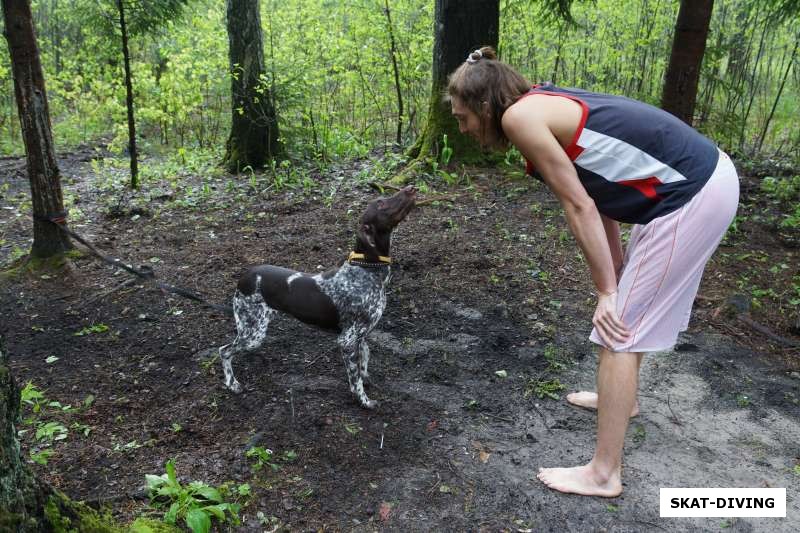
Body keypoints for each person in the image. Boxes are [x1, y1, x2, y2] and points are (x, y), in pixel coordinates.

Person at [448, 47, 739, 497]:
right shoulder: (537, 104)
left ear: (486, 106)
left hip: (690, 194)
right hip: (693, 185)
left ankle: (604, 474)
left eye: (463, 117)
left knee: (617, 329)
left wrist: (607, 290)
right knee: (626, 312)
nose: (463, 128)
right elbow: (596, 191)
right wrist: (616, 268)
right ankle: (622, 402)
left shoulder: (520, 120)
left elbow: (577, 204)